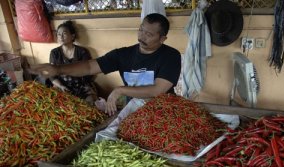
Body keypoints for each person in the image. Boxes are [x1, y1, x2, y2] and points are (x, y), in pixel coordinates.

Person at [30, 13, 182, 116]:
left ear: (162, 39)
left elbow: (157, 90)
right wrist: (58, 69)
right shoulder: (123, 54)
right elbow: (89, 67)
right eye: (141, 30)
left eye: (149, 34)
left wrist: (120, 90)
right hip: (135, 110)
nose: (141, 36)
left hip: (163, 111)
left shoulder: (171, 56)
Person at [48, 20, 97, 105]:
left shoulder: (82, 52)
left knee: (89, 103)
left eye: (64, 33)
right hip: (62, 85)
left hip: (81, 85)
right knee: (56, 104)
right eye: (59, 34)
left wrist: (79, 87)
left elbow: (89, 72)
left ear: (72, 36)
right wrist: (61, 86)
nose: (61, 37)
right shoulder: (54, 53)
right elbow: (52, 75)